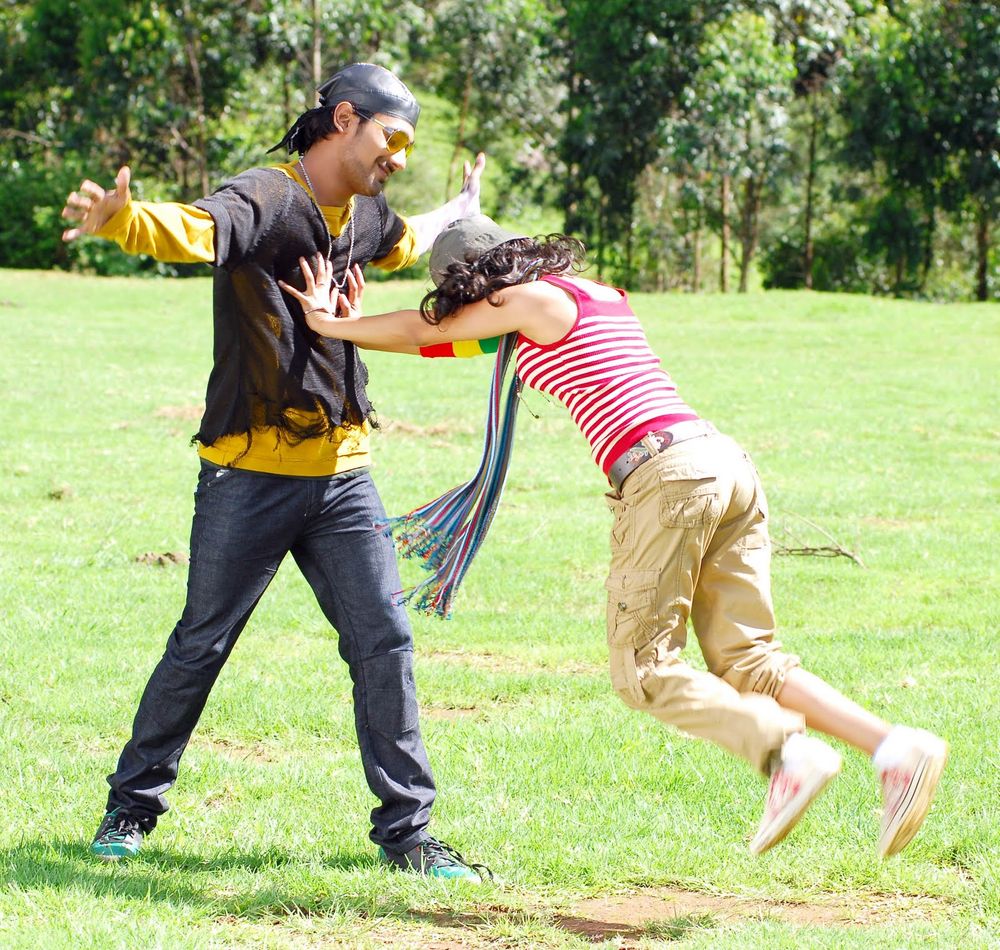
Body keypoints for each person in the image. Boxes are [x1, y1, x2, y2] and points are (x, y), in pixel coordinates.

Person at [280, 215, 949, 858]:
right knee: (749, 661)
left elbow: (422, 328)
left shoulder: (526, 302)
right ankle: (897, 749)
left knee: (644, 673)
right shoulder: (591, 295)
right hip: (722, 464)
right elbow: (435, 341)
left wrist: (327, 323)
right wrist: (352, 326)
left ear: (475, 281)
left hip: (668, 476)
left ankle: (785, 752)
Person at [59, 63, 490, 880]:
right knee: (202, 643)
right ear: (344, 119)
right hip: (247, 473)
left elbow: (409, 239)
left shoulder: (365, 212)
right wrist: (125, 223)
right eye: (392, 138)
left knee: (384, 641)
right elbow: (197, 229)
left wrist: (462, 211)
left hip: (344, 473)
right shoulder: (267, 196)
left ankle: (409, 833)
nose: (399, 156)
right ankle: (131, 808)